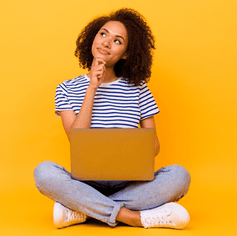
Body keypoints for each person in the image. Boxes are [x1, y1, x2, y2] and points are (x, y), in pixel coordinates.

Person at [33, 8, 191, 229]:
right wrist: (92, 88)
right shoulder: (66, 88)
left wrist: (131, 145)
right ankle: (132, 217)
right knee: (44, 172)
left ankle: (84, 210)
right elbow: (76, 139)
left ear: (126, 53)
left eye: (117, 41)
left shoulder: (138, 88)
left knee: (179, 176)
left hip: (130, 183)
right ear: (93, 38)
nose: (106, 43)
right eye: (103, 34)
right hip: (85, 183)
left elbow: (154, 147)